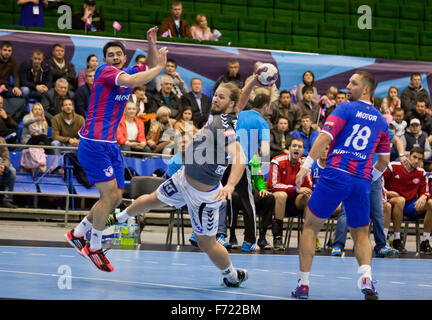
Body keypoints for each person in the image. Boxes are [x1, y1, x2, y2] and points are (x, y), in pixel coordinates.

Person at [112, 81, 252, 287]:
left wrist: (230, 185)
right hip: (183, 178)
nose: (215, 98)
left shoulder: (224, 126)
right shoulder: (224, 114)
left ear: (229, 103)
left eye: (221, 97)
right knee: (152, 199)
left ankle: (231, 275)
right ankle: (120, 218)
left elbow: (239, 156)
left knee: (206, 243)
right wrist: (253, 82)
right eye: (215, 95)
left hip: (203, 196)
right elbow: (240, 101)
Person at [64, 28, 167, 272]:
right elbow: (137, 80)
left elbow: (146, 67)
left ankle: (78, 234)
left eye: (119, 54)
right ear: (105, 59)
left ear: (124, 57)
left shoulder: (127, 70)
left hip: (111, 145)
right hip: (94, 144)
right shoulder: (106, 72)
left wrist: (151, 43)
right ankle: (95, 246)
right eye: (110, 55)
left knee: (117, 197)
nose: (115, 58)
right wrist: (159, 68)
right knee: (108, 197)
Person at [293, 71, 390, 300]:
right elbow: (384, 160)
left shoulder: (345, 108)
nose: (348, 86)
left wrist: (306, 166)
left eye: (353, 83)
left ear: (366, 89)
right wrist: (370, 177)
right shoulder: (381, 120)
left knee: (310, 225)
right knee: (361, 234)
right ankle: (366, 278)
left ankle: (304, 285)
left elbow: (324, 137)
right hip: (361, 181)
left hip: (337, 173)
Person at [331, 129, 406, 258]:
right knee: (345, 211)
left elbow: (397, 140)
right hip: (354, 174)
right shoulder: (354, 124)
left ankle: (381, 246)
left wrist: (402, 155)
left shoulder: (379, 125)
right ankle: (338, 245)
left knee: (378, 212)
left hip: (373, 176)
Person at [224, 90, 271, 253]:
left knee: (219, 197)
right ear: (265, 106)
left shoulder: (240, 114)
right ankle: (249, 240)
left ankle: (218, 235)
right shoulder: (263, 123)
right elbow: (265, 151)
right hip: (240, 163)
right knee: (247, 202)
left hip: (223, 159)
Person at [383, 147, 432, 254]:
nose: (416, 161)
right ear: (408, 156)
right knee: (400, 200)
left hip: (410, 204)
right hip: (391, 201)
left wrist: (423, 196)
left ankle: (425, 241)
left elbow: (426, 192)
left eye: (420, 159)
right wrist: (387, 193)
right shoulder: (393, 166)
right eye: (414, 157)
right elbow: (378, 182)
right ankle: (396, 239)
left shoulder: (421, 173)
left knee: (431, 203)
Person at [267, 138, 312, 251]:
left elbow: (308, 187)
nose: (296, 148)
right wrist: (294, 188)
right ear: (289, 149)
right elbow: (273, 185)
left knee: (308, 196)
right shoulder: (277, 161)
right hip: (277, 201)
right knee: (282, 195)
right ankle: (277, 238)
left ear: (302, 151)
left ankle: (308, 238)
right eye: (294, 146)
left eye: (299, 147)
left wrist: (304, 170)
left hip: (296, 202)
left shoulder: (305, 164)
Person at [0, 41, 26, 123]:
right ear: (0, 50)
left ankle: (13, 119)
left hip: (6, 88)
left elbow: (16, 76)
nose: (7, 52)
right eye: (5, 50)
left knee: (23, 96)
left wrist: (16, 86)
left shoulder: (13, 61)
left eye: (9, 50)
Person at [0, 136, 18, 209]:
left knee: (12, 171)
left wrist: (3, 166)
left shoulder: (1, 140)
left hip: (1, 163)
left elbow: (6, 157)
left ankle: (6, 200)